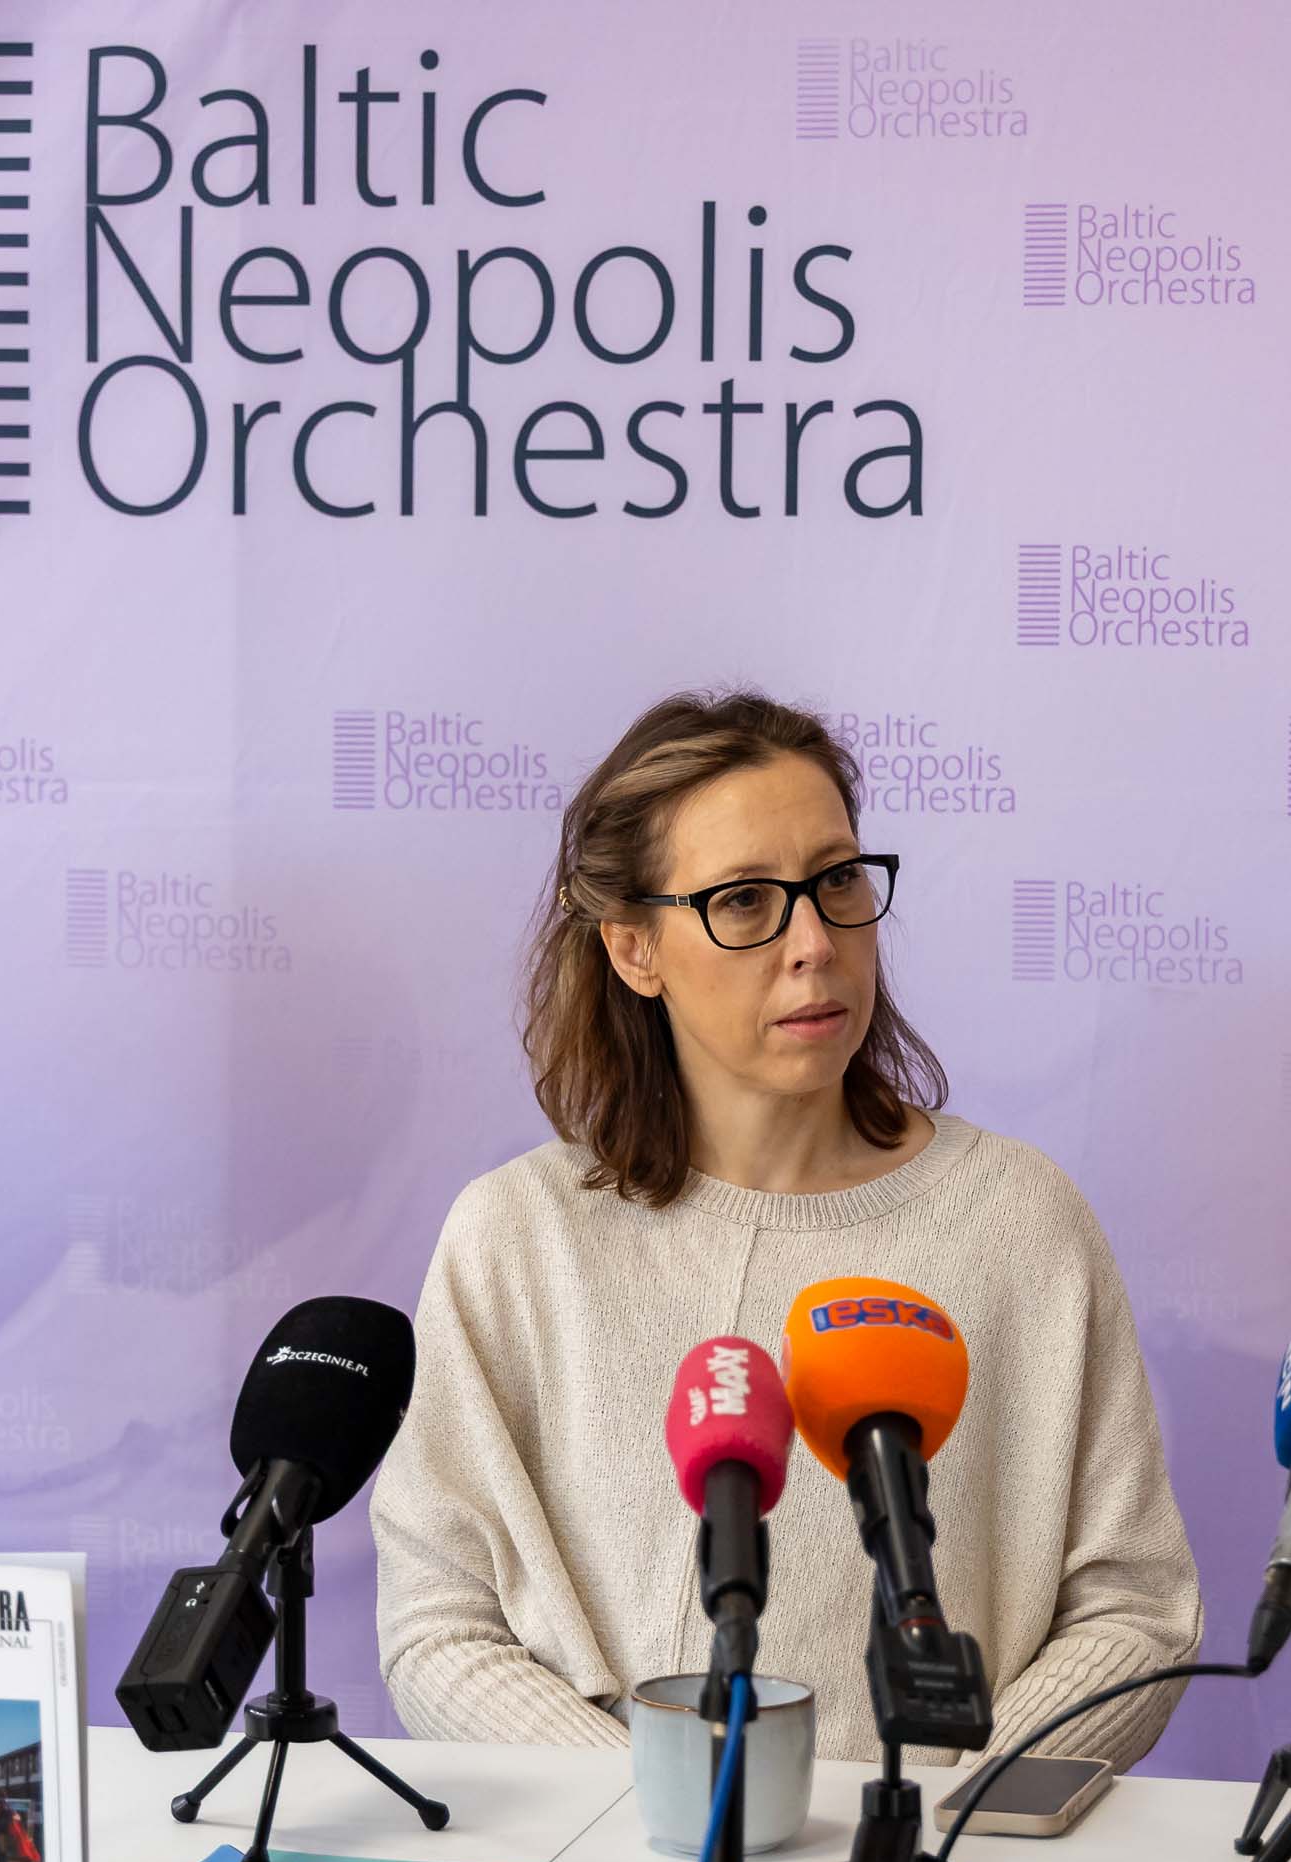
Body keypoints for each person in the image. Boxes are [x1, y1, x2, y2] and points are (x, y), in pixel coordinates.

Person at [372, 692, 1203, 1767]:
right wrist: (645, 1809)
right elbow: (441, 1624)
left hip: (935, 1858)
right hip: (606, 1860)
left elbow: (1133, 1608)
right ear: (634, 948)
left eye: (837, 880)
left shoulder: (1020, 1220)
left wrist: (954, 1818)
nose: (814, 943)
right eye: (745, 901)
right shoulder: (519, 1237)